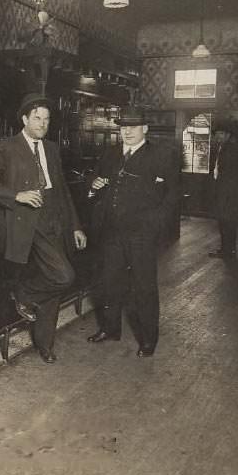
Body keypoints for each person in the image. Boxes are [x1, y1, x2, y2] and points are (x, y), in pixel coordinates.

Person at [0, 93, 87, 364]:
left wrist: (75, 226)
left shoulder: (51, 148)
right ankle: (23, 293)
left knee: (55, 280)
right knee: (63, 275)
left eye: (46, 118)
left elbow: (61, 191)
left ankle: (45, 343)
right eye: (37, 117)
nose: (42, 123)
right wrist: (17, 195)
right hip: (26, 220)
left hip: (54, 219)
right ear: (25, 119)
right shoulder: (7, 146)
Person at [86, 106, 179, 358]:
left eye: (133, 127)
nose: (127, 131)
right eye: (123, 127)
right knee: (109, 282)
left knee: (143, 287)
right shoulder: (109, 154)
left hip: (141, 234)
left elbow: (171, 196)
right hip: (112, 232)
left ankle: (148, 340)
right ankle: (110, 328)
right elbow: (96, 181)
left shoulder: (160, 155)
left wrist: (155, 225)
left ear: (145, 129)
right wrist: (93, 186)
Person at [208, 118, 238, 258]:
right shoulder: (224, 147)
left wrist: (224, 193)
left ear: (228, 134)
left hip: (228, 192)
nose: (217, 137)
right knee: (225, 221)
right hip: (225, 191)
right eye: (216, 134)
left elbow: (232, 175)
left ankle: (228, 250)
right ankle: (228, 249)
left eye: (220, 134)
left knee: (227, 222)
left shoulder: (232, 149)